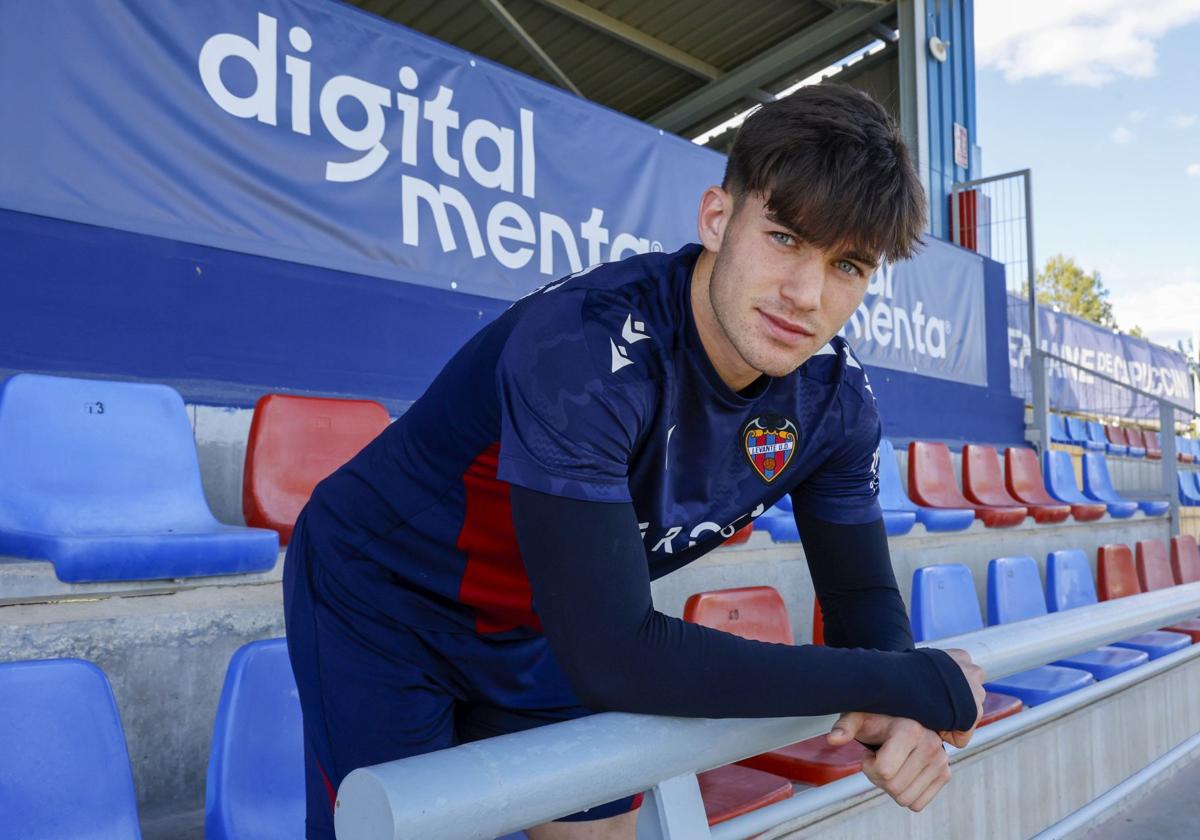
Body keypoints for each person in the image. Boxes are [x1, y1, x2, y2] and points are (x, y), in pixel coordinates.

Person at [283, 83, 986, 840]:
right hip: (383, 603)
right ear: (717, 218)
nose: (805, 294)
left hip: (543, 620)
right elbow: (617, 655)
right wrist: (909, 678)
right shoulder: (584, 346)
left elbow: (861, 598)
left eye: (848, 265)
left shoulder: (835, 400)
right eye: (784, 237)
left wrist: (909, 703)